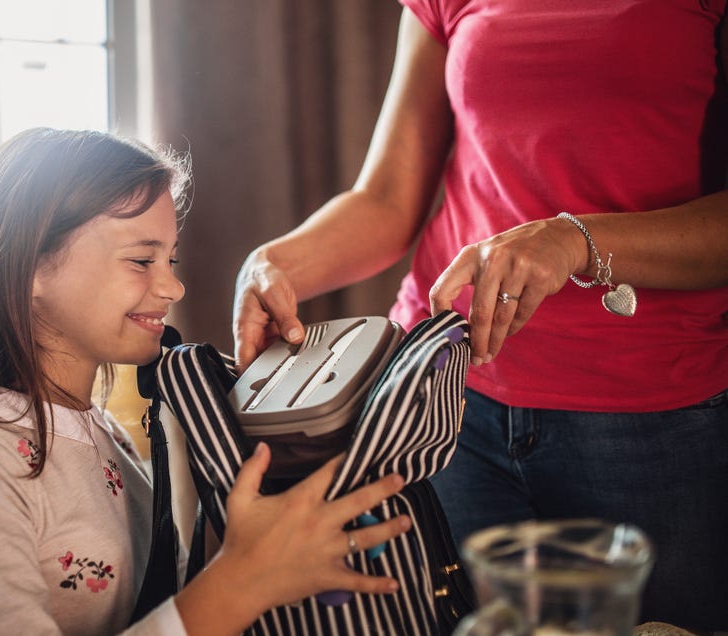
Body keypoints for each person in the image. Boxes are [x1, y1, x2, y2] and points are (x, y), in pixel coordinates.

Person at [232, 2, 728, 630]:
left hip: (650, 417)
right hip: (444, 398)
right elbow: (386, 198)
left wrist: (574, 239)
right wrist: (275, 264)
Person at [0, 127, 412, 635]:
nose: (173, 286)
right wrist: (244, 581)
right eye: (141, 261)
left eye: (169, 260)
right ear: (32, 267)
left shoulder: (108, 436)